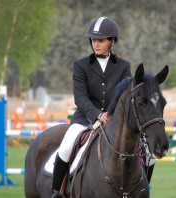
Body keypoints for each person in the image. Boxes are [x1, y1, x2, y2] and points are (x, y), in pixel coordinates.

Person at [51, 16, 132, 197]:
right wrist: (97, 114)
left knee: (145, 153)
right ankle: (56, 191)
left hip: (113, 119)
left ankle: (142, 187)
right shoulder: (81, 66)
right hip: (85, 117)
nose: (96, 44)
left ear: (111, 41)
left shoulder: (124, 67)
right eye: (93, 40)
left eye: (101, 40)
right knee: (65, 147)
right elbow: (80, 97)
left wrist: (111, 114)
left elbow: (124, 95)